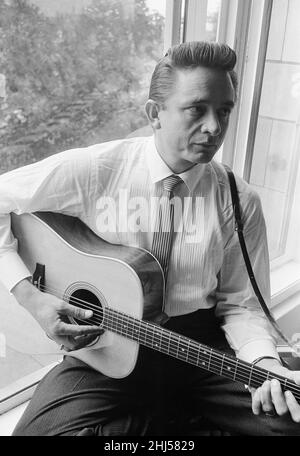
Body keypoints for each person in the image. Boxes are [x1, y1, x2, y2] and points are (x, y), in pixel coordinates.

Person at [1, 41, 300, 436]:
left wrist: (263, 364)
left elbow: (240, 304)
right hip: (105, 343)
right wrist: (30, 296)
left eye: (224, 111)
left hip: (202, 347)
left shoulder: (238, 199)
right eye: (197, 109)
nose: (214, 127)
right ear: (155, 114)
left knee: (288, 425)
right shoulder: (95, 170)